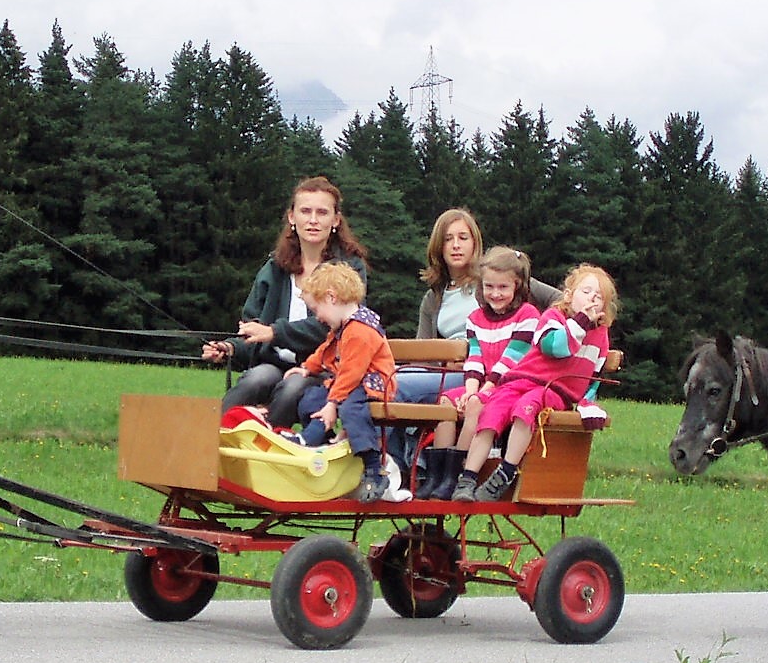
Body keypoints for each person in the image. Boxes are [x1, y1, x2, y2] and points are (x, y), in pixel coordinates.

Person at [388, 208, 559, 483]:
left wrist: (545, 338)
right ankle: (397, 461)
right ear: (438, 247)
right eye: (448, 239)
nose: (455, 245)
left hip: (495, 372)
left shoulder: (496, 278)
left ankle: (393, 465)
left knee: (397, 385)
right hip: (454, 372)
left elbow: (560, 301)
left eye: (463, 237)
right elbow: (422, 353)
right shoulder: (434, 298)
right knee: (386, 381)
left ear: (475, 242)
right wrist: (447, 359)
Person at [200, 176, 370, 428]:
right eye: (305, 211)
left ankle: (265, 440)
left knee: (293, 386)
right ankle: (210, 441)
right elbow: (254, 329)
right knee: (257, 378)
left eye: (322, 212)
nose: (313, 220)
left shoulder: (349, 268)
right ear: (292, 217)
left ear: (335, 220)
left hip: (322, 369)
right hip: (272, 364)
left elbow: (335, 325)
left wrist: (274, 332)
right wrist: (230, 347)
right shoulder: (274, 268)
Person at [451, 263, 617, 503]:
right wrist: (580, 322)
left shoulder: (600, 335)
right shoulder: (553, 318)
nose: (592, 297)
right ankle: (467, 478)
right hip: (521, 380)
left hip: (554, 390)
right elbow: (555, 347)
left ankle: (505, 472)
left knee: (526, 409)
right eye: (586, 291)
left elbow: (595, 374)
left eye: (599, 296)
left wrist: (587, 402)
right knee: (492, 414)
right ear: (569, 296)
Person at [413, 247, 542, 500]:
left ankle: (457, 476)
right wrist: (471, 389)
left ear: (517, 286)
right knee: (447, 401)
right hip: (482, 384)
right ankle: (437, 475)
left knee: (474, 406)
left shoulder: (528, 316)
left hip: (510, 386)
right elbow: (475, 358)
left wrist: (480, 394)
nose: (495, 294)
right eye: (489, 287)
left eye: (503, 287)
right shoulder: (475, 318)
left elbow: (510, 362)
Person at [283, 263, 405, 503]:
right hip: (352, 383)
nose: (316, 316)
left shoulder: (359, 330)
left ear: (331, 298)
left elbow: (352, 372)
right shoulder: (343, 327)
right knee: (311, 398)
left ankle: (373, 467)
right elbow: (325, 351)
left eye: (316, 309)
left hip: (373, 383)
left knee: (351, 409)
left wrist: (333, 404)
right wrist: (308, 368)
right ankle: (322, 442)